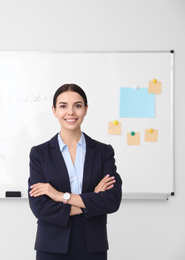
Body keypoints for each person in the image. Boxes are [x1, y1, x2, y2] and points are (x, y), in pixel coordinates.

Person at [28, 83, 122, 260]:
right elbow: (40, 208)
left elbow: (111, 200)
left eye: (77, 105)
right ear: (54, 110)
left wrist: (59, 196)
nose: (70, 112)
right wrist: (91, 200)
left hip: (93, 245)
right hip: (51, 246)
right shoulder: (39, 154)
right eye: (63, 106)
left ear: (85, 109)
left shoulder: (103, 152)